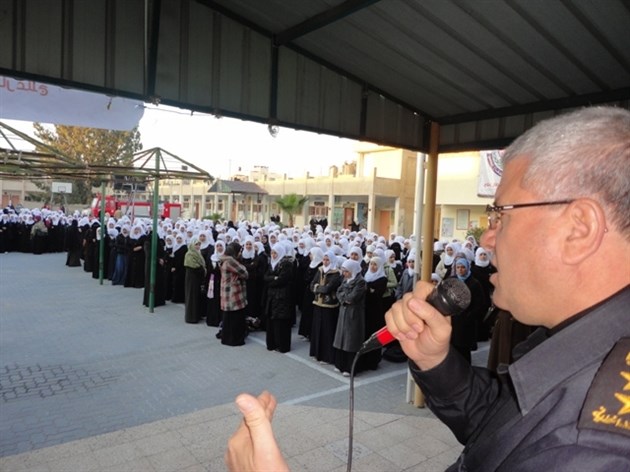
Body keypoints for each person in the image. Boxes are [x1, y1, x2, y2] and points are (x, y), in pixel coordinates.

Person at [225, 106, 630, 472]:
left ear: (579, 229)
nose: (487, 239)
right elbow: (500, 421)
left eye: (499, 216)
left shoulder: (592, 448)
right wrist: (435, 360)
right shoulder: (584, 350)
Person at [333, 259, 366, 376]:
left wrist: (344, 297)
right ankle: (340, 364)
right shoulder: (345, 279)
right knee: (341, 339)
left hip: (354, 314)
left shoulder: (360, 282)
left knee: (351, 341)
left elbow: (352, 298)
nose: (344, 274)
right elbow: (338, 292)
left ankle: (349, 368)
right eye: (343, 271)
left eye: (346, 271)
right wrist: (344, 298)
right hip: (344, 312)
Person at [262, 243, 295, 353]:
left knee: (281, 322)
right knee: (272, 321)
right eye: (272, 253)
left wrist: (272, 281)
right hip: (272, 297)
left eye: (275, 253)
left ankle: (282, 345)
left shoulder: (286, 264)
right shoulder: (271, 263)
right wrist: (274, 278)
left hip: (282, 297)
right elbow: (265, 277)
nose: (273, 255)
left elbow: (282, 279)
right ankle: (272, 344)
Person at [220, 242, 249, 346]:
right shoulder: (230, 261)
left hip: (227, 291)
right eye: (239, 251)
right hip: (233, 293)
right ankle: (234, 340)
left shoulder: (224, 260)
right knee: (235, 318)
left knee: (228, 318)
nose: (240, 253)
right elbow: (245, 273)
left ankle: (227, 338)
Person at [183, 238, 206, 323]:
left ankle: (197, 315)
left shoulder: (198, 253)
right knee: (192, 297)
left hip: (197, 279)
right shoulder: (189, 254)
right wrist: (202, 269)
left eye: (199, 245)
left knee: (197, 297)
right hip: (192, 279)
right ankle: (191, 317)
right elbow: (193, 266)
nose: (197, 246)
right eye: (196, 244)